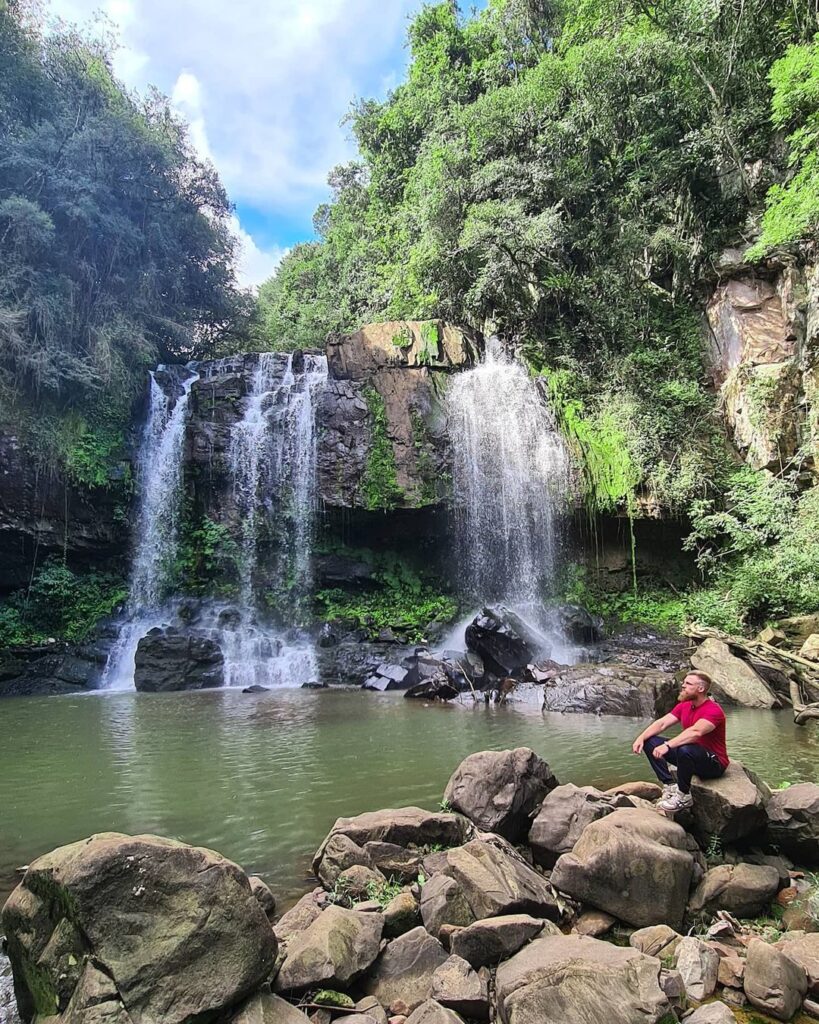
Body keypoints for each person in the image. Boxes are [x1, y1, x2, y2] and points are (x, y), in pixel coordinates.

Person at [631, 670, 729, 812]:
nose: (683, 686)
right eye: (684, 682)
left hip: (713, 763)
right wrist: (641, 737)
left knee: (685, 749)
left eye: (688, 683)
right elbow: (662, 723)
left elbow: (696, 732)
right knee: (650, 741)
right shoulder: (685, 705)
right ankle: (670, 785)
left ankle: (684, 796)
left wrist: (667, 745)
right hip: (690, 757)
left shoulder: (714, 710)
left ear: (700, 689)